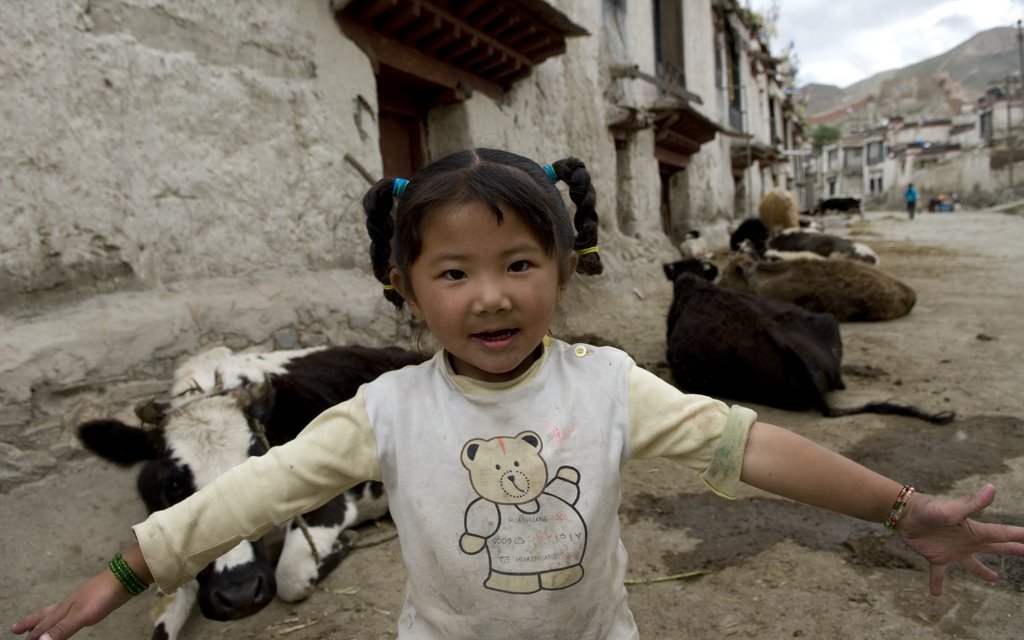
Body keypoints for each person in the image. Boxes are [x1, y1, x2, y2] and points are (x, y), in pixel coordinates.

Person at [13, 148, 1024, 640]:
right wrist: (131, 564)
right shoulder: (386, 410)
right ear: (403, 289)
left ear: (565, 268)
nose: (490, 294)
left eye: (518, 262)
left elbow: (752, 446)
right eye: (452, 272)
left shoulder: (608, 384)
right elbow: (251, 494)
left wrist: (903, 510)